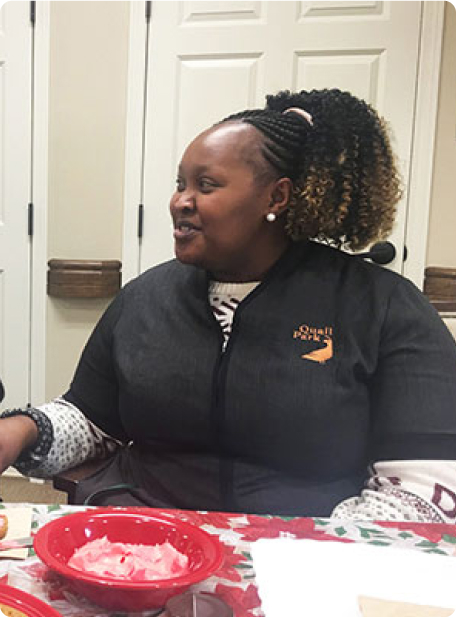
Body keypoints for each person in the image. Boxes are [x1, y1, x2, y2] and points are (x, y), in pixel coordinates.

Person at [1, 89, 456, 521]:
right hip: (143, 540)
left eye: (206, 185)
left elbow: (422, 489)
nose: (181, 201)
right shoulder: (145, 298)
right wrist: (21, 429)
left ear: (276, 197)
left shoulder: (384, 307)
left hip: (301, 558)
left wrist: (298, 552)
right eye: (180, 184)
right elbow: (91, 420)